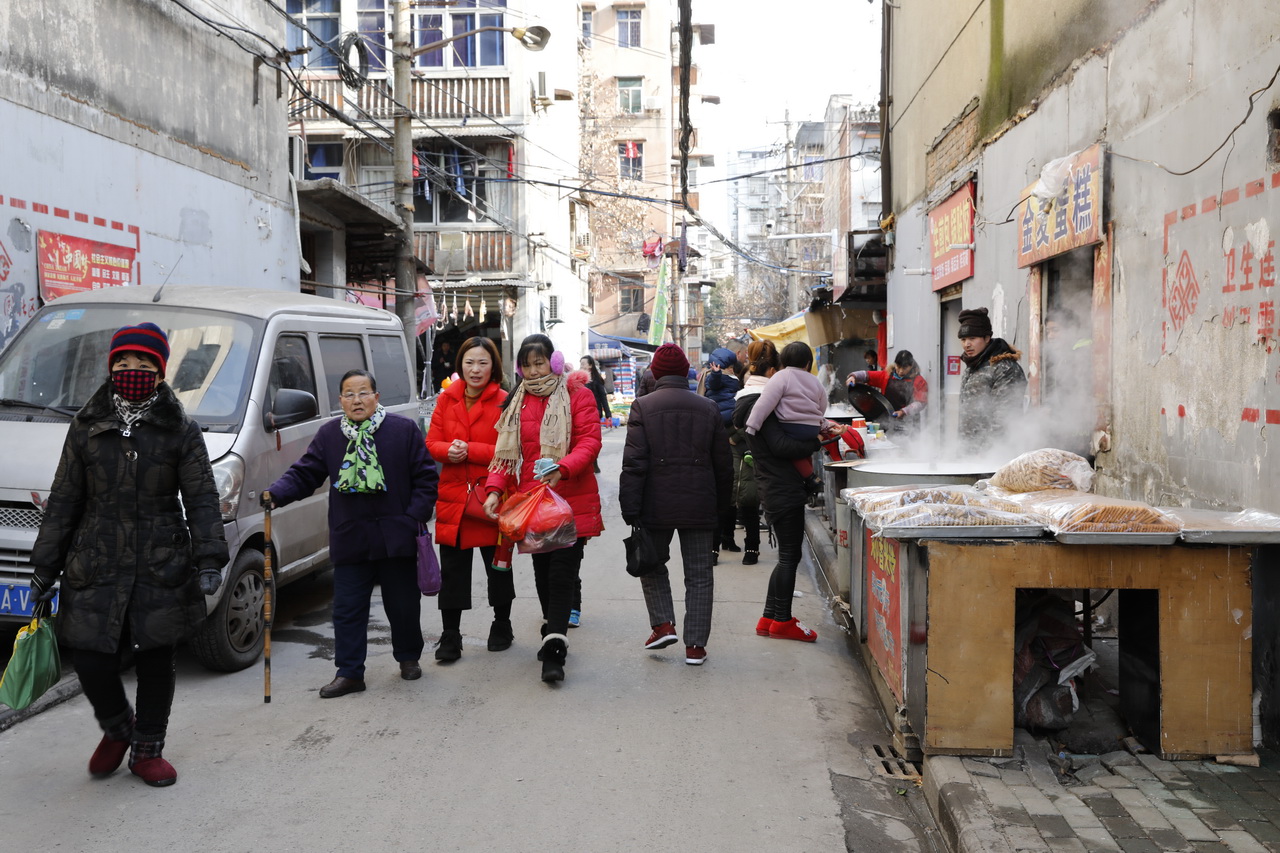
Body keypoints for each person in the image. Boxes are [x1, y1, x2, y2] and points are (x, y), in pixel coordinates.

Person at [28, 323, 230, 787]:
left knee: (157, 658)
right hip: (95, 557)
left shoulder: (180, 429)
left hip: (161, 560)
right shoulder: (85, 426)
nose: (132, 371)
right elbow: (63, 500)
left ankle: (147, 750)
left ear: (160, 373)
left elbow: (200, 499)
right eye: (123, 363)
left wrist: (210, 559)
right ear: (111, 368)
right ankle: (119, 727)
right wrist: (44, 567)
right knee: (90, 655)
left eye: (143, 365)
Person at [267, 368, 438, 699]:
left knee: (403, 605)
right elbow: (306, 473)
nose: (357, 400)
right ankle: (349, 673)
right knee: (346, 608)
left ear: (376, 396)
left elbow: (426, 478)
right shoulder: (330, 435)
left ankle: (408, 658)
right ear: (340, 401)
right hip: (351, 537)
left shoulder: (402, 431)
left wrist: (411, 518)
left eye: (364, 392)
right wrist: (275, 493)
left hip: (395, 536)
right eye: (350, 394)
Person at [482, 334, 603, 683]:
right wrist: (493, 491)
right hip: (532, 502)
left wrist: (562, 467)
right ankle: (553, 629)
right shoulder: (515, 402)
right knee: (542, 573)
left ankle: (554, 649)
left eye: (540, 363)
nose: (534, 372)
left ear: (553, 362)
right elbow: (503, 455)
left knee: (561, 574)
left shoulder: (578, 395)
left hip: (570, 502)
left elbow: (590, 441)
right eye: (527, 365)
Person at [620, 343, 732, 665]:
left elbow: (634, 463)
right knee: (699, 575)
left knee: (651, 563)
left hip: (656, 504)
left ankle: (663, 624)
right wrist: (721, 509)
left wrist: (631, 507)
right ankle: (695, 646)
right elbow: (723, 466)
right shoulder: (708, 408)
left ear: (654, 372)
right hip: (700, 504)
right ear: (686, 373)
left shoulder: (642, 405)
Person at [425, 336, 514, 661]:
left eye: (483, 362)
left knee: (498, 567)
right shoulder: (446, 399)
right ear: (460, 364)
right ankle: (451, 635)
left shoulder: (506, 400)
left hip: (491, 496)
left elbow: (510, 450)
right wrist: (447, 450)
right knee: (453, 571)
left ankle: (502, 624)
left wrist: (469, 451)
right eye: (469, 362)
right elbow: (432, 441)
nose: (475, 369)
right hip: (453, 498)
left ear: (494, 366)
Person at [737, 348, 823, 644]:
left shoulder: (758, 409)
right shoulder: (762, 416)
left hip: (775, 487)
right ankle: (783, 621)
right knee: (789, 557)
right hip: (781, 489)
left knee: (787, 556)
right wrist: (816, 440)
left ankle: (770, 617)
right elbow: (783, 448)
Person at [744, 342, 843, 497]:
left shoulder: (780, 377)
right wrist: (818, 423)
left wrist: (752, 426)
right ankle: (810, 479)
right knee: (803, 451)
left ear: (783, 360)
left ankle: (810, 478)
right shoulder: (815, 380)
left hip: (789, 426)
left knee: (792, 451)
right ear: (808, 363)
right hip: (810, 428)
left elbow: (764, 404)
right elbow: (822, 405)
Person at [729, 340, 781, 565]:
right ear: (772, 370)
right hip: (755, 453)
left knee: (745, 497)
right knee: (749, 499)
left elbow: (735, 421)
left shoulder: (744, 384)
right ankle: (751, 548)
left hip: (743, 450)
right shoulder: (771, 392)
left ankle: (750, 547)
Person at [957, 306, 1028, 451]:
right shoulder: (972, 367)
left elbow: (1005, 419)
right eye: (963, 339)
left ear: (987, 338)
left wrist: (988, 456)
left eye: (972, 338)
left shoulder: (1005, 368)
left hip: (993, 456)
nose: (966, 344)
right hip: (969, 453)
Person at [701, 347, 741, 556]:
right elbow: (714, 383)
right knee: (721, 494)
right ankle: (714, 546)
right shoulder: (713, 379)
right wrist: (716, 373)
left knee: (729, 493)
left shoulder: (736, 380)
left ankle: (727, 538)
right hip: (718, 436)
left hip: (730, 436)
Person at [846, 349, 929, 429]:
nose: (900, 371)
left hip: (910, 423)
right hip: (887, 420)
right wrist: (854, 376)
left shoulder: (919, 381)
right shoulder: (886, 376)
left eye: (904, 368)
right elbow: (867, 375)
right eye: (898, 367)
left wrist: (904, 411)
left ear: (911, 366)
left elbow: (921, 403)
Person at [579, 354, 613, 424]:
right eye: (580, 364)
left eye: (583, 364)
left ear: (590, 365)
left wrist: (608, 414)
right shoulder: (579, 379)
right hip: (582, 412)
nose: (581, 367)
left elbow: (602, 397)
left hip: (594, 412)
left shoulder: (596, 379)